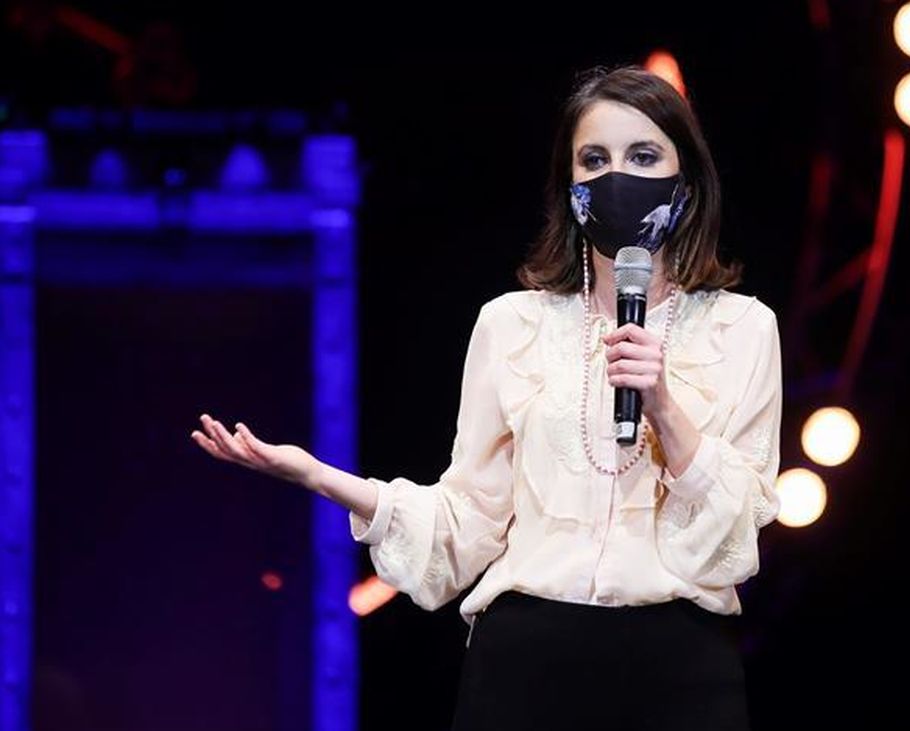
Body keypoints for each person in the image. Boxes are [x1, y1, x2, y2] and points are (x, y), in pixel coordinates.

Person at [191, 64, 783, 731]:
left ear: (687, 181)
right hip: (526, 664)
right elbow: (467, 522)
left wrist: (665, 407)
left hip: (677, 668)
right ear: (572, 186)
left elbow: (736, 534)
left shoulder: (743, 329)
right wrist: (316, 475)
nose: (617, 174)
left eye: (643, 155)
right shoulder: (512, 324)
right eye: (595, 159)